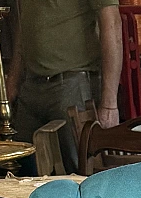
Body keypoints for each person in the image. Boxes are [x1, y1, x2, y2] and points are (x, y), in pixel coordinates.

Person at [9, 0, 123, 170]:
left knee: (80, 169)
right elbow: (25, 26)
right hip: (31, 83)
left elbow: (112, 22)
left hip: (72, 82)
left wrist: (109, 105)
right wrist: (13, 81)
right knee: (23, 169)